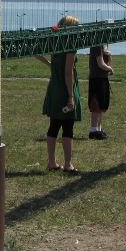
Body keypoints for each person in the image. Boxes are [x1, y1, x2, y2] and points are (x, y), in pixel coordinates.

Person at [36, 15, 83, 173]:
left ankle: (51, 162)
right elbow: (68, 73)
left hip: (54, 87)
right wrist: (71, 96)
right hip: (65, 88)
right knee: (68, 127)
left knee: (54, 125)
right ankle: (68, 164)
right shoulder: (70, 44)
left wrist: (50, 64)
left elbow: (35, 51)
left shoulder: (55, 41)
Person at [88, 44, 114, 140]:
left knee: (102, 105)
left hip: (103, 78)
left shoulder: (104, 43)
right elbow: (100, 63)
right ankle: (93, 130)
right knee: (96, 104)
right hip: (96, 78)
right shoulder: (97, 44)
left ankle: (99, 129)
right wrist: (110, 69)